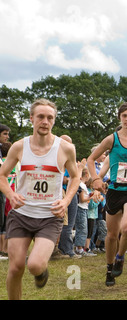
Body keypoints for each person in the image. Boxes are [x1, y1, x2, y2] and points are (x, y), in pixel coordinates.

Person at [0, 99, 79, 300]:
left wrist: (66, 200)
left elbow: (76, 176)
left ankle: (40, 271)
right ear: (31, 118)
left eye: (49, 117)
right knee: (16, 266)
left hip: (49, 216)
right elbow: (2, 175)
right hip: (21, 215)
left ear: (54, 120)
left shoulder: (66, 148)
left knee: (34, 264)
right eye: (41, 117)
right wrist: (11, 194)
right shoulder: (19, 147)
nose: (45, 121)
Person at [87, 102, 127, 287]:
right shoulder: (111, 139)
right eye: (124, 116)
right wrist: (95, 179)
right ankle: (109, 268)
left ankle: (120, 258)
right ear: (119, 118)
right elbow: (91, 159)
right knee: (112, 235)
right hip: (115, 190)